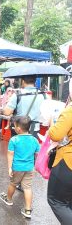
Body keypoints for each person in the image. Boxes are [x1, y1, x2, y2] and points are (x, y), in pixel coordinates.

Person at [0, 116, 40, 219]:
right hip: (29, 168)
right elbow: (37, 154)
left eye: (15, 126)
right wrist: (35, 167)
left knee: (13, 184)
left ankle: (8, 199)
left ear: (18, 129)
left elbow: (10, 154)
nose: (14, 127)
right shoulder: (35, 140)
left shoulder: (14, 140)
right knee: (27, 188)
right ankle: (27, 210)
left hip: (17, 168)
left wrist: (9, 168)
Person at [47, 82, 72, 224]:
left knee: (57, 201)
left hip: (68, 161)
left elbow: (56, 134)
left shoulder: (70, 111)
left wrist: (52, 125)